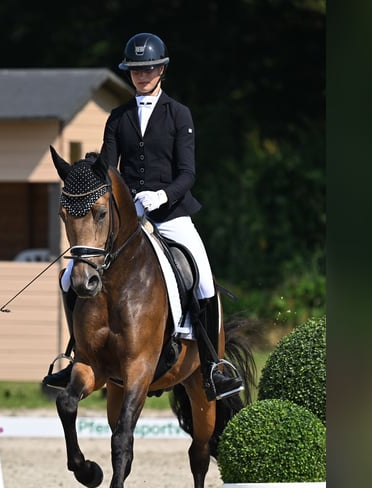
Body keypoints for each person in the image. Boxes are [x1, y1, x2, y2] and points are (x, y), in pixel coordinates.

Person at [43, 32, 243, 400]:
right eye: (136, 69)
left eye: (149, 68)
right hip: (128, 217)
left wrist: (161, 196)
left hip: (171, 214)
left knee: (201, 277)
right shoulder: (118, 117)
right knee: (70, 275)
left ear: (162, 69)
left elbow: (188, 173)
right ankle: (76, 354)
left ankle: (214, 365)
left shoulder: (178, 114)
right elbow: (107, 166)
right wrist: (88, 176)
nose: (142, 75)